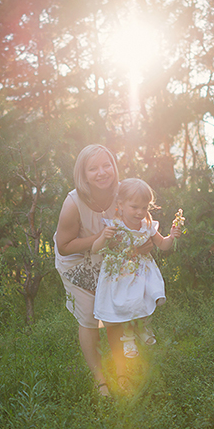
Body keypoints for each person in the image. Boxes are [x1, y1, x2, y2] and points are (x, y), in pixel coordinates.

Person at [54, 144, 152, 397]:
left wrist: (145, 241)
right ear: (83, 175)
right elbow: (64, 246)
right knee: (89, 316)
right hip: (77, 262)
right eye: (93, 168)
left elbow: (142, 215)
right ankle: (100, 381)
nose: (102, 172)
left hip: (109, 260)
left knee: (114, 314)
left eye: (106, 165)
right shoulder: (73, 203)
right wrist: (99, 238)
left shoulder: (123, 192)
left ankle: (122, 374)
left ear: (114, 167)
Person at [91, 178, 182, 359]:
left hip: (142, 271)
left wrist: (171, 236)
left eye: (144, 207)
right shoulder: (114, 225)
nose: (140, 212)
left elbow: (163, 245)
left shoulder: (147, 226)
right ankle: (128, 338)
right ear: (121, 205)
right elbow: (95, 249)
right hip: (120, 272)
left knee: (144, 299)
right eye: (134, 207)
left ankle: (141, 327)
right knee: (127, 303)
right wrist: (103, 237)